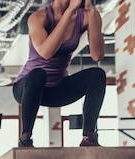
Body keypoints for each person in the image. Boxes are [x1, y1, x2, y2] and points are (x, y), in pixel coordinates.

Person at [13, 0, 106, 147]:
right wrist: (69, 12)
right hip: (28, 89)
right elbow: (46, 53)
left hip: (57, 89)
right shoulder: (39, 17)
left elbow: (97, 56)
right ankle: (25, 138)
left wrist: (90, 11)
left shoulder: (87, 16)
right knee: (39, 74)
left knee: (98, 75)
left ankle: (89, 137)